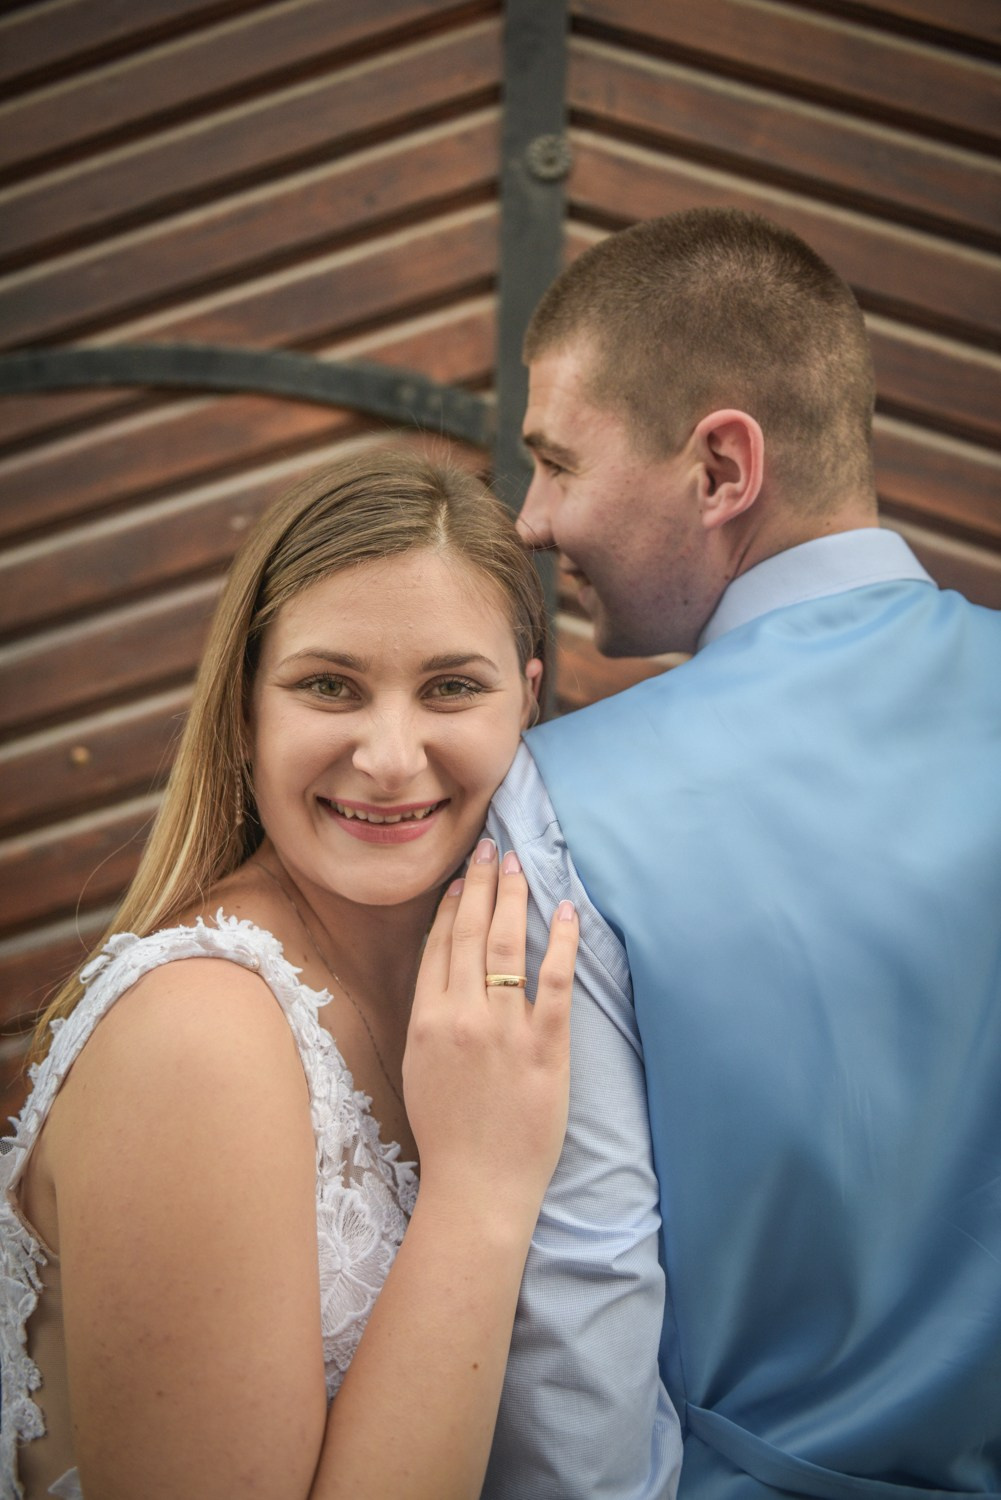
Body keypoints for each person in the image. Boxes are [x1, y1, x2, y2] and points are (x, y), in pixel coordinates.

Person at [482, 208, 1001, 1497]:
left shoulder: (557, 805)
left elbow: (584, 1317)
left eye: (556, 463)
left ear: (721, 468)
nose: (531, 521)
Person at [0, 449, 579, 1500]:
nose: (390, 757)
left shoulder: (505, 984)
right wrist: (482, 1191)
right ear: (243, 709)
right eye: (328, 686)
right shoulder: (198, 1037)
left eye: (451, 687)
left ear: (525, 703)